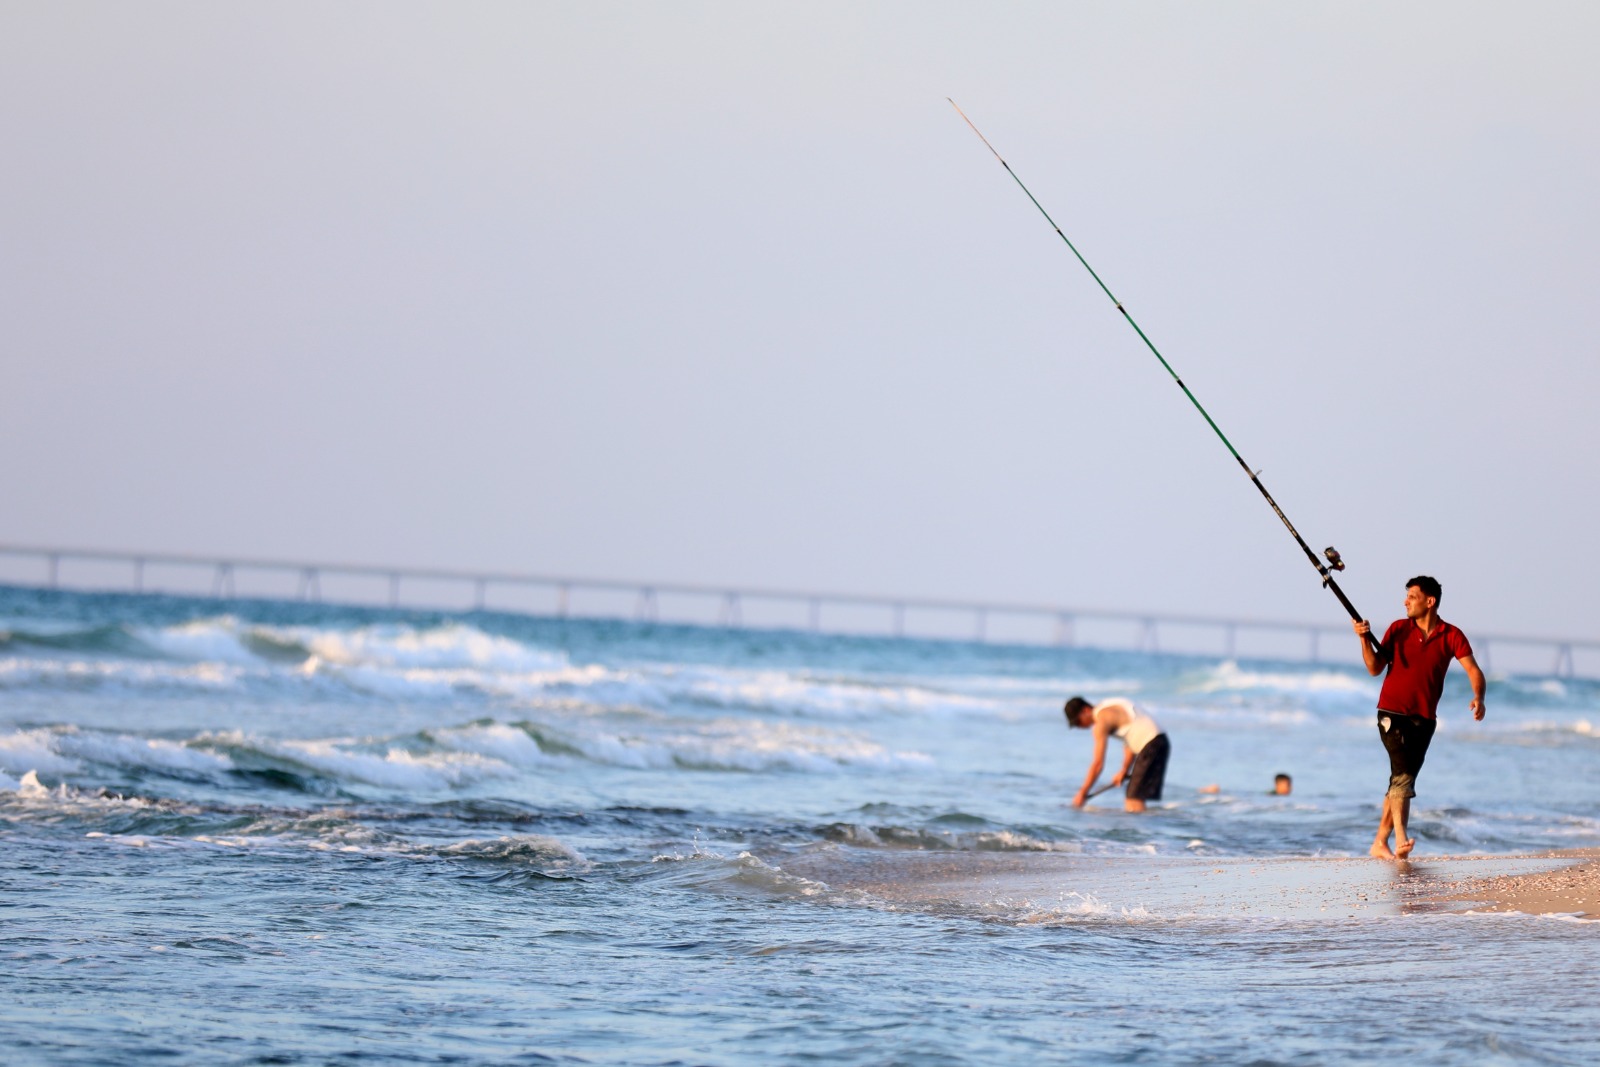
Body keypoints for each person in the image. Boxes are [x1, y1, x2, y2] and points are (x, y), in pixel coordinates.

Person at [1353, 575, 1486, 860]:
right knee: (1403, 777)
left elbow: (1473, 670)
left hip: (1424, 719)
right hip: (1391, 713)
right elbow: (1375, 668)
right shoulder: (1398, 629)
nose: (1405, 601)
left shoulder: (1452, 635)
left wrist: (1479, 697)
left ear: (1430, 601)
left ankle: (1379, 843)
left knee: (1401, 779)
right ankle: (1400, 839)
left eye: (1411, 597)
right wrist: (1365, 639)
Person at [1063, 696, 1169, 812]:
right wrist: (1124, 770)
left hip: (1151, 745)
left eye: (1078, 722)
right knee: (1134, 797)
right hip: (1159, 742)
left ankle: (1146, 828)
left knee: (1133, 800)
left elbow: (1098, 763)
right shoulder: (1109, 705)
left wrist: (1083, 792)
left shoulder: (1101, 722)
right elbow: (1130, 740)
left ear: (1085, 710)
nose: (1079, 727)